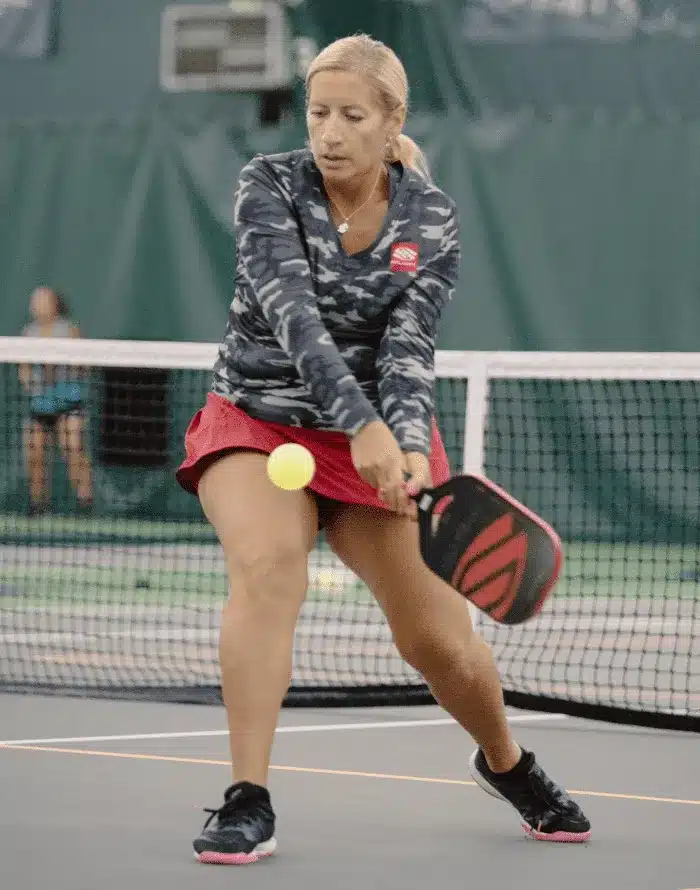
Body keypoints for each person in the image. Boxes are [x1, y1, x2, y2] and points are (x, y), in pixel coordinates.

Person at [176, 34, 591, 865]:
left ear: (392, 120)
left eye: (352, 116)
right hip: (257, 419)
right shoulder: (268, 186)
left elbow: (407, 350)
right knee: (269, 570)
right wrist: (360, 421)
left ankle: (506, 763)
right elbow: (292, 316)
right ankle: (246, 797)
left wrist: (401, 445)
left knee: (440, 643)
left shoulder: (429, 219)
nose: (329, 132)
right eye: (318, 112)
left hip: (372, 441)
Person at [18, 286, 94, 514]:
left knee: (73, 449)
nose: (36, 305)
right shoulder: (28, 332)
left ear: (54, 304)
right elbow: (24, 369)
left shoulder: (69, 330)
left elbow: (83, 364)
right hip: (41, 406)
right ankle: (37, 505)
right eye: (35, 300)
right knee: (34, 452)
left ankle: (85, 503)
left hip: (69, 403)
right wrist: (33, 384)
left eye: (42, 300)